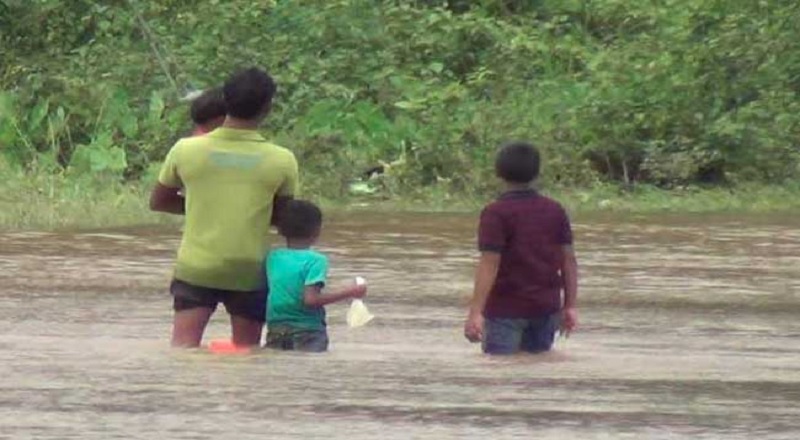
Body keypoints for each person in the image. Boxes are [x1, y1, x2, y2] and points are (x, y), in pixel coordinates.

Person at [150, 67, 299, 348]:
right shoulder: (282, 160)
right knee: (247, 356)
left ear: (225, 101)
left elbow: (158, 201)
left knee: (182, 351)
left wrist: (202, 205)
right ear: (268, 108)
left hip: (196, 267)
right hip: (250, 271)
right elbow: (282, 218)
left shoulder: (185, 150)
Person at [463, 142, 579, 355]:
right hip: (546, 307)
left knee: (500, 374)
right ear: (536, 173)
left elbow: (490, 263)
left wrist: (475, 312)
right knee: (537, 373)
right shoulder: (554, 210)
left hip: (505, 309)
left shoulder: (496, 213)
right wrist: (570, 305)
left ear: (499, 172)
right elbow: (568, 260)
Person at [265, 200, 367, 352]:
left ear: (280, 230)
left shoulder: (273, 257)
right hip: (308, 330)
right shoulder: (316, 260)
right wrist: (351, 291)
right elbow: (311, 300)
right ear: (317, 230)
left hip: (276, 329)